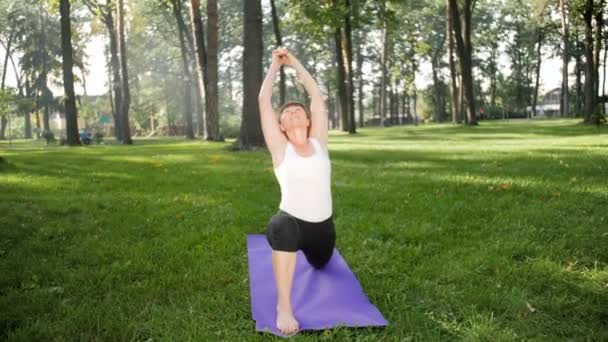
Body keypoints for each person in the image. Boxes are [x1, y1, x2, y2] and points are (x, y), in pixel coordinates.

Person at [258, 47, 336, 336]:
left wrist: (293, 61)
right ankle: (284, 306)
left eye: (298, 111)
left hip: (322, 230)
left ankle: (309, 253)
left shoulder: (319, 142)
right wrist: (274, 65)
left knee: (321, 262)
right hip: (292, 225)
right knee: (281, 225)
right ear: (281, 126)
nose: (292, 112)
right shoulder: (281, 150)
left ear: (308, 120)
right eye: (287, 113)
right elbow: (264, 101)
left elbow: (316, 95)